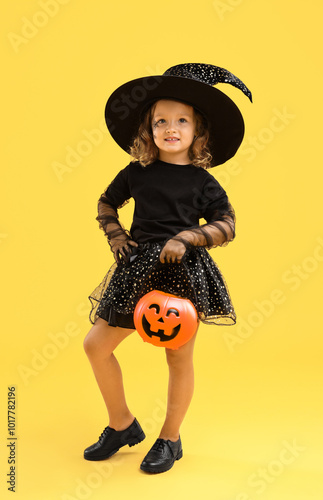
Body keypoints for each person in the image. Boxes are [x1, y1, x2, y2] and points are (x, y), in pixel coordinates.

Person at [83, 63, 252, 474]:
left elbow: (226, 224)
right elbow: (106, 202)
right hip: (137, 270)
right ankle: (122, 424)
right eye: (161, 121)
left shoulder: (202, 182)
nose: (170, 128)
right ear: (148, 129)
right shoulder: (137, 173)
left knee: (177, 358)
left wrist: (187, 238)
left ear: (199, 132)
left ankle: (170, 437)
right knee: (95, 345)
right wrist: (116, 236)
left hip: (182, 274)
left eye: (181, 121)